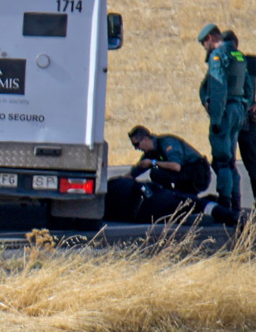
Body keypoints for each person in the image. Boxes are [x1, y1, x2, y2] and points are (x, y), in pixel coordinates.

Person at [223, 30, 256, 210]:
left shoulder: (248, 62)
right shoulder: (225, 63)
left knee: (249, 162)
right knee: (232, 161)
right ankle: (236, 200)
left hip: (244, 119)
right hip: (235, 119)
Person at [196, 23, 248, 210]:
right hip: (237, 110)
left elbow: (218, 89)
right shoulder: (238, 55)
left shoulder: (217, 57)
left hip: (224, 112)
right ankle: (236, 198)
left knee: (222, 160)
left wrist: (216, 119)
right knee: (231, 160)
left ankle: (225, 200)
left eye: (204, 43)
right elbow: (247, 86)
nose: (204, 47)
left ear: (210, 38)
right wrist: (244, 108)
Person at [104, 176, 239, 226]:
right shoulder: (114, 183)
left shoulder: (105, 207)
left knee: (183, 209)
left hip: (146, 213)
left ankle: (215, 210)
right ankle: (232, 216)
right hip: (154, 199)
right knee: (198, 204)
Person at [124, 125, 210, 195]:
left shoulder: (166, 142)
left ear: (145, 139)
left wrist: (153, 162)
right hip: (184, 174)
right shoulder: (150, 153)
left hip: (197, 173)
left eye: (136, 144)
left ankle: (170, 196)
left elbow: (176, 166)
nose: (136, 148)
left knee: (156, 172)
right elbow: (134, 172)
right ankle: (171, 196)